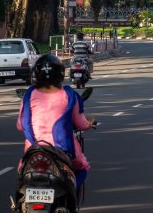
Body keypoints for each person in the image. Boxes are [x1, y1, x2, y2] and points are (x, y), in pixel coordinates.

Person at [17, 54, 96, 202]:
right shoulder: (68, 95)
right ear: (61, 73)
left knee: (23, 171)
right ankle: (69, 194)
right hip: (62, 149)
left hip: (34, 149)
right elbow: (81, 124)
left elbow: (20, 126)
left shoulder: (29, 95)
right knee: (83, 167)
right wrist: (90, 123)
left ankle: (20, 202)